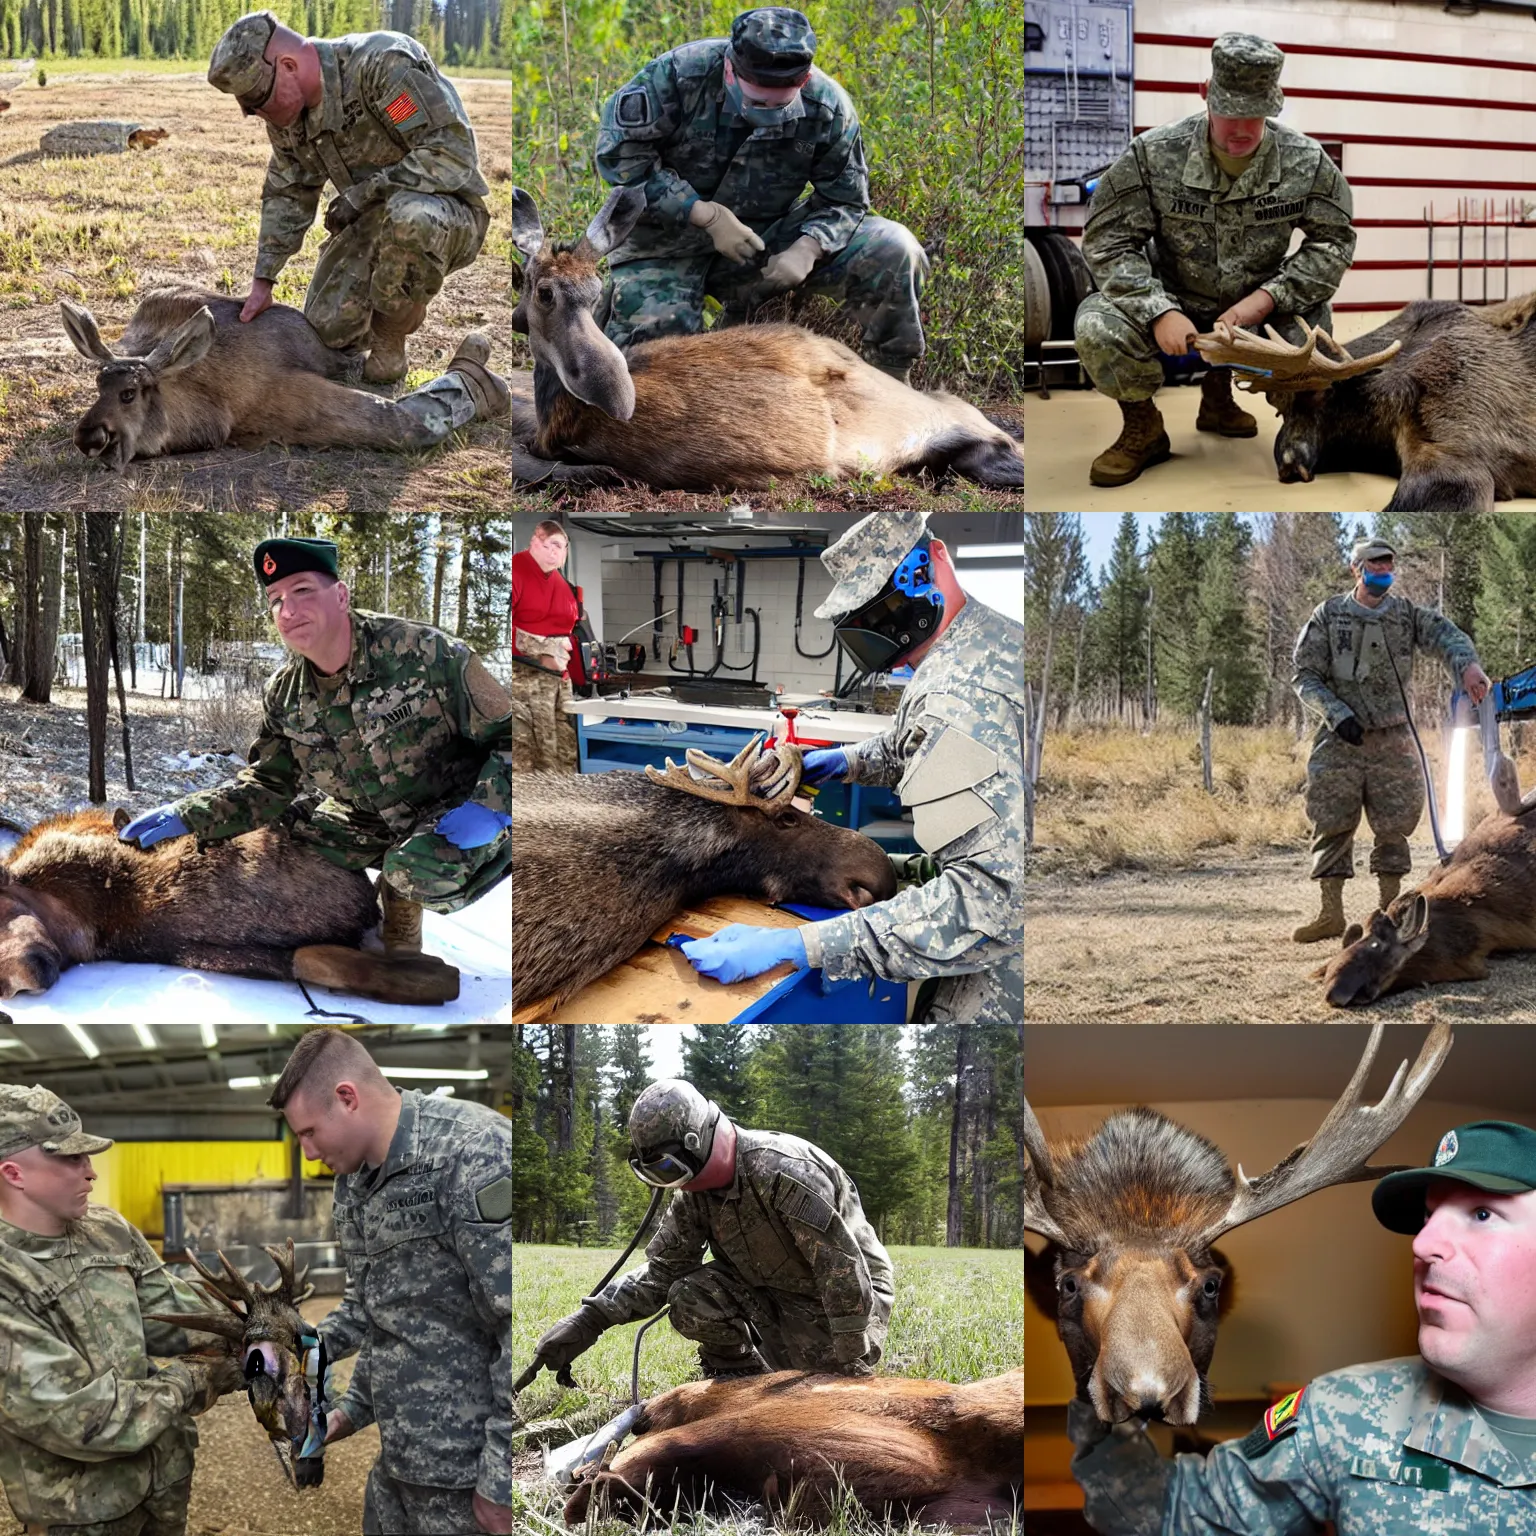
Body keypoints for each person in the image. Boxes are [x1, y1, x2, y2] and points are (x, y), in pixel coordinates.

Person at [1067, 1117, 1536, 1534]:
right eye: (1429, 1218)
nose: (1423, 1243)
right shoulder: (1338, 1413)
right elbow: (1165, 1514)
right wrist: (1099, 1369)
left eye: (1481, 1214)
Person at [678, 509, 1023, 1026]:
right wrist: (842, 763)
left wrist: (804, 944)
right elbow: (919, 745)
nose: (886, 641)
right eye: (869, 623)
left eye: (886, 613)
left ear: (933, 560)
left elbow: (991, 904)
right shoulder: (976, 644)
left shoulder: (959, 693)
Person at [116, 536, 511, 974]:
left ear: (340, 595)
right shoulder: (284, 695)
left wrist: (492, 808)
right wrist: (188, 815)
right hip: (366, 814)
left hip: (457, 807)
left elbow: (515, 735)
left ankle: (425, 887)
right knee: (283, 837)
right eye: (275, 599)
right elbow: (268, 783)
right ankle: (353, 914)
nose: (288, 610)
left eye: (302, 590)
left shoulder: (427, 653)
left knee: (415, 870)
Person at [1074, 32, 1357, 487]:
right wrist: (1158, 310)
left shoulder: (1307, 162)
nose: (1242, 128)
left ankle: (1272, 418)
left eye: (1255, 114)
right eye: (1230, 113)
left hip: (1259, 311)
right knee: (1096, 326)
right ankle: (1143, 427)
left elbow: (1334, 243)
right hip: (1173, 303)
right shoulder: (1152, 155)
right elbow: (1108, 242)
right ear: (1205, 94)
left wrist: (1266, 300)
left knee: (1315, 340)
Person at [593, 7, 930, 383]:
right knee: (655, 364)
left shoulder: (828, 106)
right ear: (729, 71)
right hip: (663, 247)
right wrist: (703, 214)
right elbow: (621, 160)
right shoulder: (675, 77)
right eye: (756, 103)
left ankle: (891, 382)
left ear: (802, 82)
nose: (766, 114)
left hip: (763, 241)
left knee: (894, 246)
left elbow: (846, 200)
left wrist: (809, 246)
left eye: (779, 106)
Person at [269, 1027, 512, 1536]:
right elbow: (370, 1310)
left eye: (309, 1132)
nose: (308, 1153)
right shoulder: (351, 1184)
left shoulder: (471, 1151)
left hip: (465, 1480)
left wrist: (499, 1478)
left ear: (346, 1098)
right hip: (396, 1470)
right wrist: (294, 1357)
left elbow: (514, 1326)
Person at [526, 1079, 893, 1385]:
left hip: (844, 1298)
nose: (670, 1185)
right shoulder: (693, 1194)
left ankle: (810, 1369)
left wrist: (850, 1362)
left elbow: (841, 1270)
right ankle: (739, 1379)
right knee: (688, 1293)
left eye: (668, 1169)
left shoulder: (783, 1172)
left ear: (695, 1142)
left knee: (822, 1394)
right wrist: (591, 1319)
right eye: (654, 1174)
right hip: (770, 1289)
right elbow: (663, 1274)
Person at [0, 1085, 245, 1536]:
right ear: (14, 1173)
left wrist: (249, 1324)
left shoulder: (105, 1229)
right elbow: (81, 1419)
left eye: (87, 1157)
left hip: (165, 1482)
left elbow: (170, 1310)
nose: (90, 1173)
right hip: (80, 1514)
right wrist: (195, 1378)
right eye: (70, 1160)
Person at [208, 10, 491, 385]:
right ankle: (399, 298)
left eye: (257, 99)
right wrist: (264, 281)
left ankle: (391, 337)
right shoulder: (287, 120)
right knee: (326, 332)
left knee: (411, 218)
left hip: (445, 212)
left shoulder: (381, 67)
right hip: (373, 221)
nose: (253, 114)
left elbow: (450, 154)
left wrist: (364, 194)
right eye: (246, 107)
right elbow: (288, 191)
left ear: (288, 65)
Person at [1290, 537, 1489, 943]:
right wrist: (1336, 713)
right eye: (1374, 566)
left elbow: (1447, 637)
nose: (1383, 573)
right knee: (1332, 821)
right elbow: (1304, 675)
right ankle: (1330, 913)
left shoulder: (1405, 616)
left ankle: (1390, 911)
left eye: (1388, 566)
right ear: (1355, 568)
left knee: (1395, 826)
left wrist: (1467, 667)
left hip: (1394, 738)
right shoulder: (1329, 615)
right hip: (1341, 738)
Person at [511, 520, 580, 773]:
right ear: (535, 542)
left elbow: (568, 629)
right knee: (529, 754)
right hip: (525, 680)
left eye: (562, 547)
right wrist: (544, 648)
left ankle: (562, 805)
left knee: (564, 751)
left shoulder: (561, 583)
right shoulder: (516, 571)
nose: (556, 552)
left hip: (560, 682)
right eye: (551, 545)